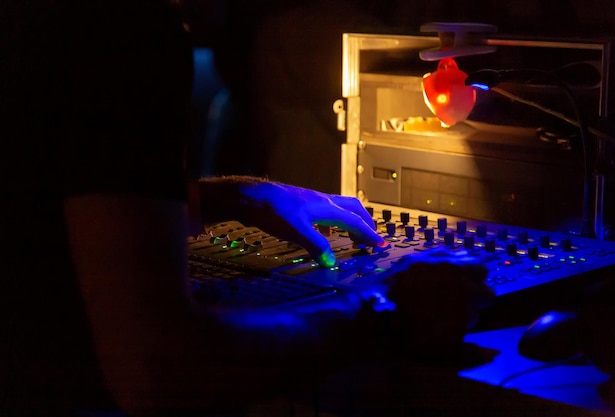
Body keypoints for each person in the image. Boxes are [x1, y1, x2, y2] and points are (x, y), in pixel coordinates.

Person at [1, 1, 492, 416]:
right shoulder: (117, 31)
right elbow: (157, 368)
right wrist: (382, 305)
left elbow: (45, 199)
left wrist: (227, 196)